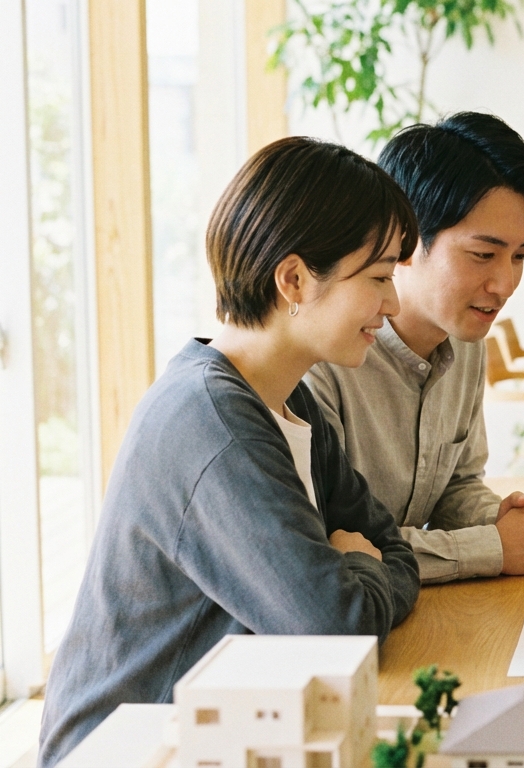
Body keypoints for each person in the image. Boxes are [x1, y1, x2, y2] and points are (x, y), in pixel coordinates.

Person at [39, 137, 422, 765]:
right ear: (294, 279)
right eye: (379, 277)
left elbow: (394, 547)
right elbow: (335, 626)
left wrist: (357, 566)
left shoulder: (290, 404)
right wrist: (360, 566)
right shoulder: (213, 423)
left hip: (228, 736)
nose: (394, 303)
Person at [306, 112, 524, 585]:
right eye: (483, 255)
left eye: (520, 256)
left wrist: (512, 525)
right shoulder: (322, 362)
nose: (506, 283)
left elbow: (455, 486)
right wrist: (493, 548)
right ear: (405, 240)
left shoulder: (467, 340)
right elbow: (338, 548)